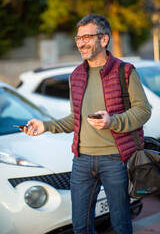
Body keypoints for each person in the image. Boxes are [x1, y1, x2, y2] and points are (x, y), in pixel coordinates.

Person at [22, 14, 151, 234]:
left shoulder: (125, 71)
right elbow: (76, 118)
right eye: (78, 38)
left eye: (87, 37)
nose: (81, 43)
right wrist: (46, 125)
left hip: (116, 160)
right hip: (81, 162)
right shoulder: (76, 75)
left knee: (120, 223)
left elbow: (143, 110)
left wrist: (113, 120)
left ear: (104, 40)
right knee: (80, 225)